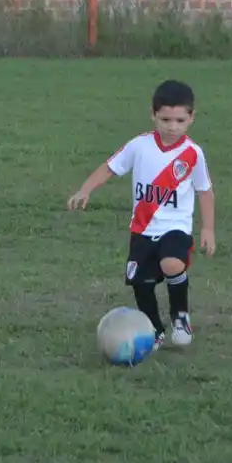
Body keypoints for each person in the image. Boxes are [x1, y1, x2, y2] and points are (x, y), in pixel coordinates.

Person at [66, 79, 216, 349]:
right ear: (153, 115)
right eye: (165, 119)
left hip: (176, 227)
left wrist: (207, 228)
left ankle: (180, 317)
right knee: (141, 283)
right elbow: (110, 167)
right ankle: (154, 330)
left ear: (192, 118)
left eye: (180, 120)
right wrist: (85, 189)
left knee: (172, 263)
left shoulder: (193, 153)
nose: (172, 127)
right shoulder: (139, 145)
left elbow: (204, 191)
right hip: (143, 229)